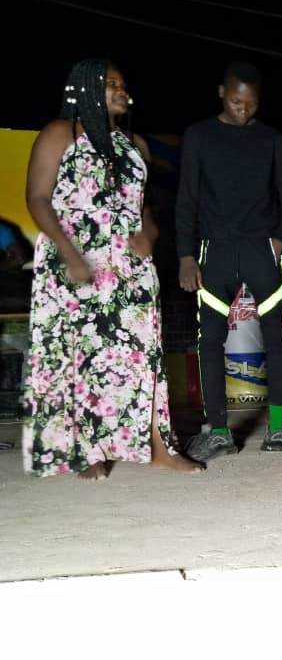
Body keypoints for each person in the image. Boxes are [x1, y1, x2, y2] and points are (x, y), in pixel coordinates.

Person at [22, 58, 201, 478]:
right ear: (86, 89)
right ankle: (87, 451)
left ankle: (159, 446)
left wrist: (149, 234)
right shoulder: (60, 133)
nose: (123, 91)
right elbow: (37, 198)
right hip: (75, 258)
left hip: (129, 266)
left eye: (123, 84)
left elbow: (145, 207)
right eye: (111, 84)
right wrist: (69, 254)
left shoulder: (135, 144)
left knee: (142, 355)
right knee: (81, 355)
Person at [176, 61, 282, 461]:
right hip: (214, 250)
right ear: (222, 92)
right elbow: (187, 197)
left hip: (260, 249)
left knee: (276, 336)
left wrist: (279, 240)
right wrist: (186, 255)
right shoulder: (199, 135)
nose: (243, 110)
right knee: (210, 341)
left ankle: (278, 429)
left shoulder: (271, 139)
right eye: (237, 102)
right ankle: (218, 432)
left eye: (251, 103)